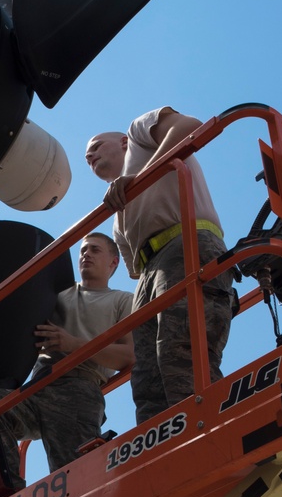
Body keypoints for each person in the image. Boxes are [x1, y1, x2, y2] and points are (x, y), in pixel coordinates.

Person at [86, 109, 234, 425]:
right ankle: (160, 448)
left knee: (180, 349)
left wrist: (138, 179)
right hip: (151, 270)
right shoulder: (118, 219)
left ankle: (206, 432)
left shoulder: (139, 132)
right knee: (147, 375)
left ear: (124, 142)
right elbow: (135, 271)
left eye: (97, 145)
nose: (91, 155)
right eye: (88, 156)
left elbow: (189, 127)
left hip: (187, 241)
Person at [0, 232, 134, 482]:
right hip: (36, 389)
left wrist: (74, 344)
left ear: (113, 262)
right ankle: (9, 493)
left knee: (74, 478)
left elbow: (128, 357)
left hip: (78, 390)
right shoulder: (55, 295)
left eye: (95, 250)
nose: (86, 254)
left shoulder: (121, 301)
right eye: (83, 250)